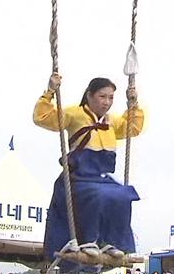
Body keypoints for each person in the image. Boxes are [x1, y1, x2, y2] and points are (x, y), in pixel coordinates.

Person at [34, 75, 145, 261]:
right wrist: (50, 92)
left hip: (102, 177)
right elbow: (42, 117)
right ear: (90, 95)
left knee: (124, 195)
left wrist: (133, 103)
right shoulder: (74, 114)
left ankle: (112, 242)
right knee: (97, 195)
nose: (107, 102)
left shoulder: (111, 122)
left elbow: (133, 127)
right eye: (103, 96)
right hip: (80, 176)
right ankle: (88, 239)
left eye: (111, 98)